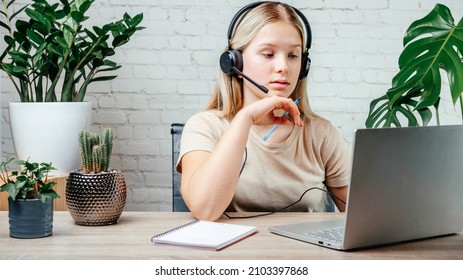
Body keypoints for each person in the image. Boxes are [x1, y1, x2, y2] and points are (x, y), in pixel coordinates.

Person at [177, 1, 351, 221]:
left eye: (293, 55)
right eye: (268, 54)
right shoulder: (205, 127)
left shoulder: (321, 134)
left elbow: (362, 216)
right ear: (235, 63)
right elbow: (205, 210)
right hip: (229, 254)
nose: (283, 67)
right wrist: (245, 119)